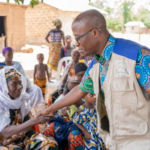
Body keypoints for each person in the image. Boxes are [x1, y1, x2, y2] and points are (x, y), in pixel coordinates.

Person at [37, 9, 150, 150]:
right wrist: (51, 109)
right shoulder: (96, 65)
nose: (76, 44)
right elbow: (80, 89)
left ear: (95, 33)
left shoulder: (136, 56)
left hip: (139, 143)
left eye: (78, 37)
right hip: (111, 142)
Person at [0, 67, 58, 150]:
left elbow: (28, 126)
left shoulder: (21, 100)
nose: (19, 87)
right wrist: (33, 121)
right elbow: (5, 133)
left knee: (49, 144)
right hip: (3, 143)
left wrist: (39, 118)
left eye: (20, 83)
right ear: (4, 86)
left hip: (23, 138)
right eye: (14, 84)